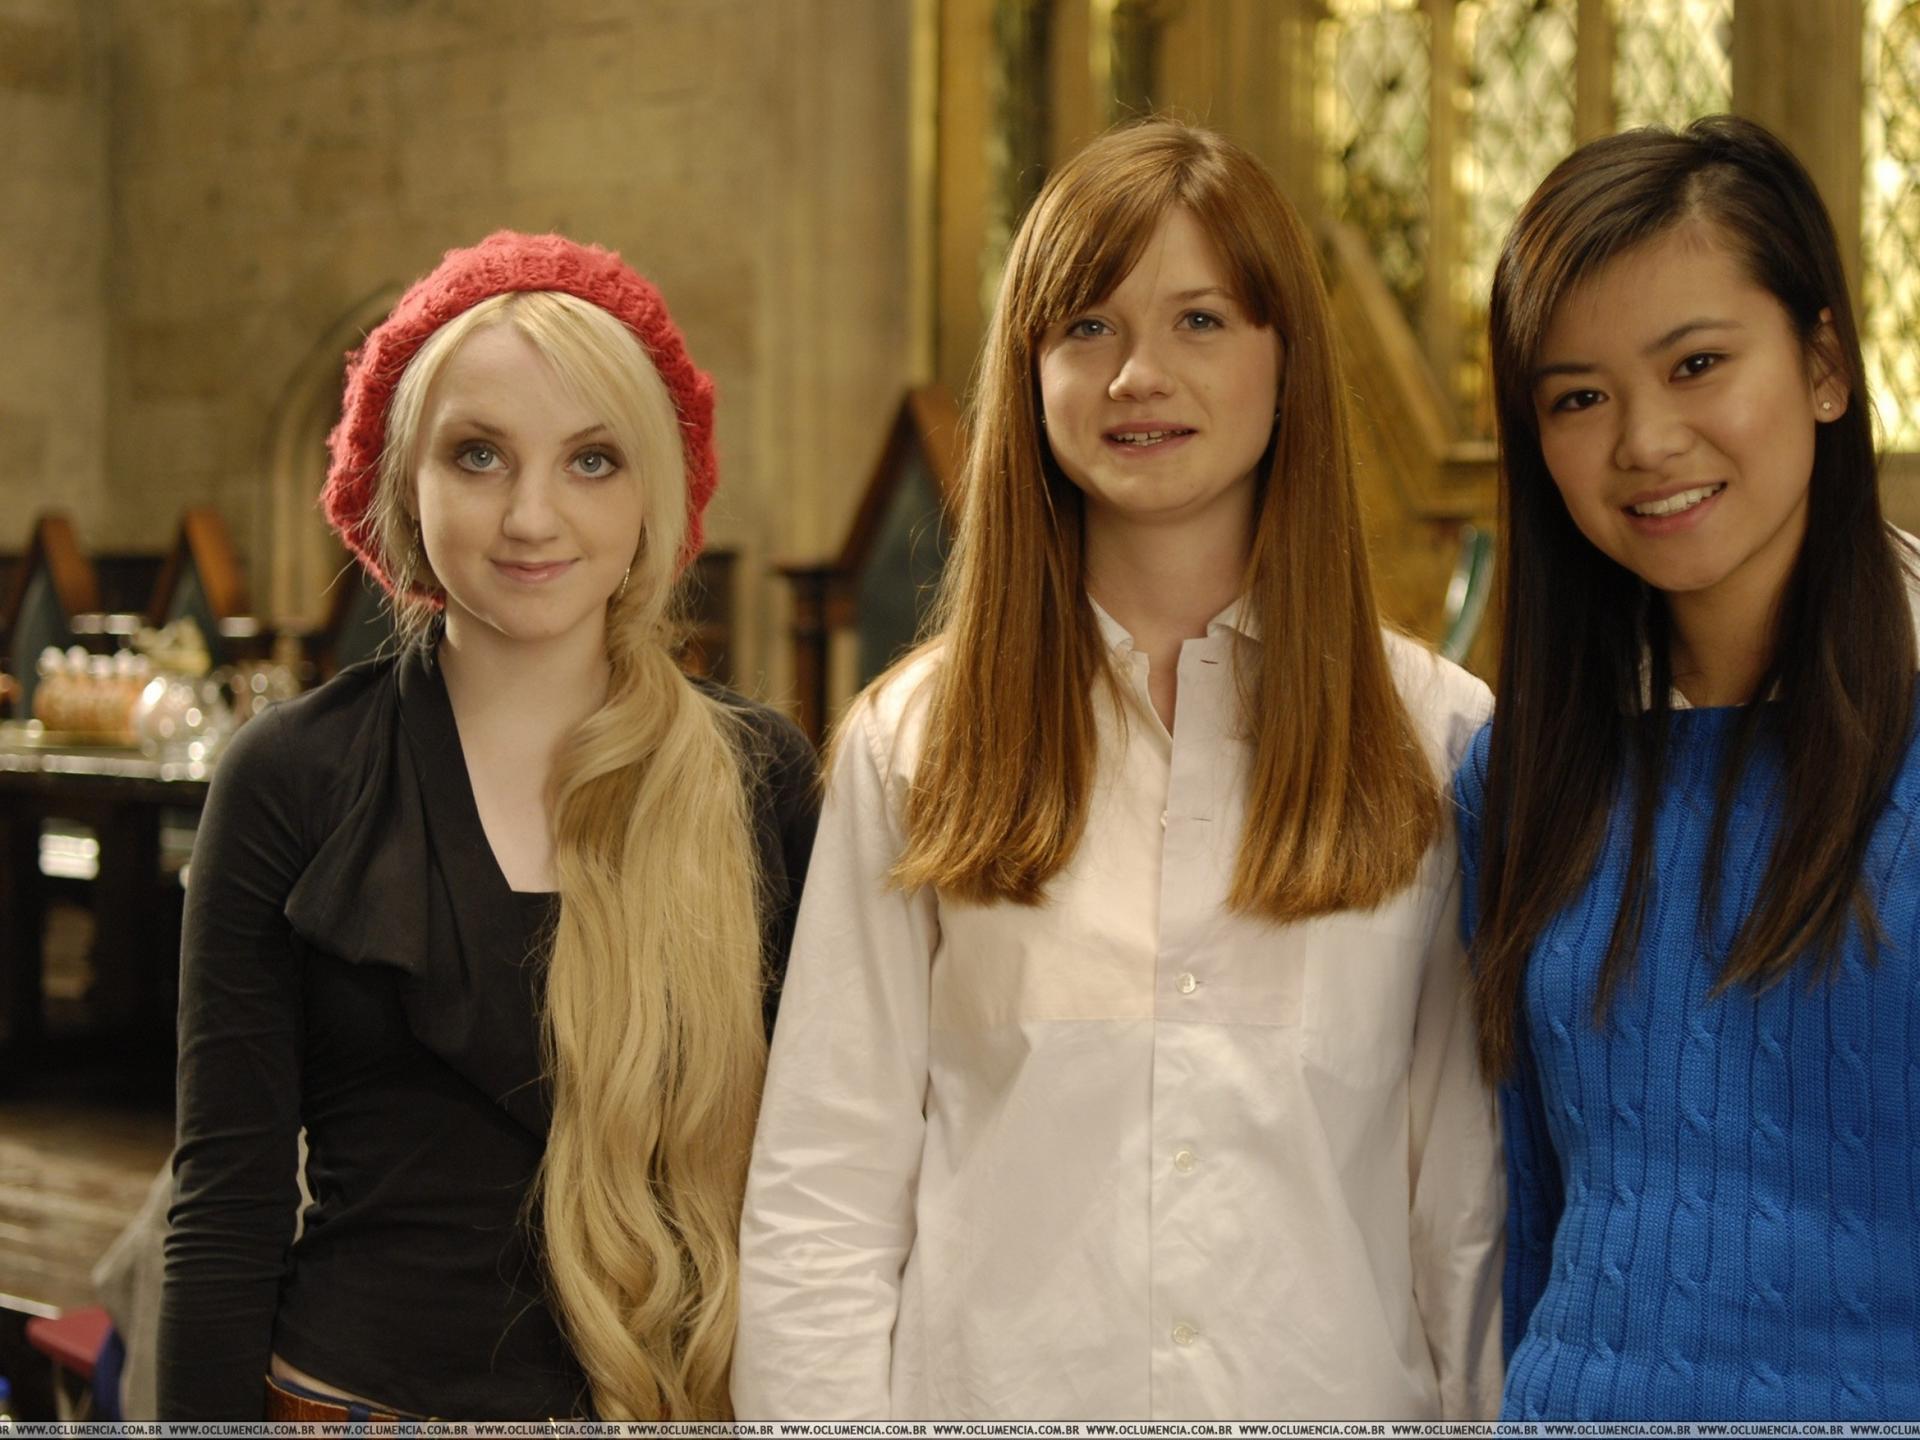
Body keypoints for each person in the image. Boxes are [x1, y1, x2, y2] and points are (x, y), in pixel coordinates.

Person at [732, 120, 1502, 1421]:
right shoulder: (915, 743)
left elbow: (1465, 1209)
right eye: (1087, 326)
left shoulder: (1432, 736)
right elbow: (826, 1189)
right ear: (1029, 370)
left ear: (1286, 363)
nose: (1140, 374)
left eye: (1201, 320)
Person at [157, 231, 817, 1422]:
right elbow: (225, 1204)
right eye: (478, 456)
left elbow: (822, 1177)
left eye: (593, 460)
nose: (531, 515)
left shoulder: (756, 775)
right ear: (401, 484)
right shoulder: (291, 776)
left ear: (655, 494)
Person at [1457, 115, 1920, 1419]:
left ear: (1824, 365)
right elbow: (1528, 1209)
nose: (1645, 441)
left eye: (1697, 363)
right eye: (1579, 397)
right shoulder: (1521, 771)